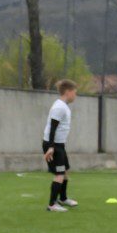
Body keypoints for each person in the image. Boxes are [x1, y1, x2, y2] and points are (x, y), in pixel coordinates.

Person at [44, 79, 79, 212]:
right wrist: (51, 147)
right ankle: (52, 205)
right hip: (54, 145)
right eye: (74, 93)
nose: (75, 96)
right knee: (59, 174)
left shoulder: (64, 106)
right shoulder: (59, 107)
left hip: (59, 145)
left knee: (65, 171)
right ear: (68, 92)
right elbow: (53, 128)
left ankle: (63, 198)